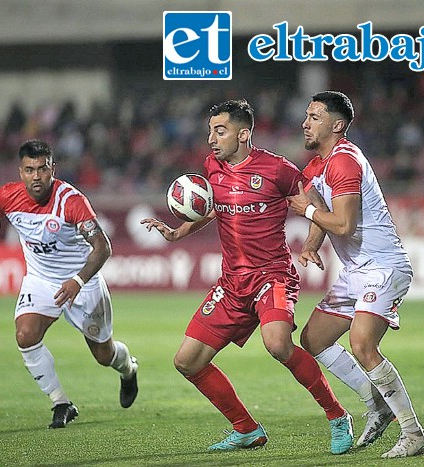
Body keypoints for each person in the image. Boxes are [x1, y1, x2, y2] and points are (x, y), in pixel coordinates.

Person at [140, 99, 354, 454]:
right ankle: (246, 429)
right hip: (232, 283)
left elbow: (320, 207)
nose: (211, 138)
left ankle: (337, 415)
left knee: (278, 345)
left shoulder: (278, 169)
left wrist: (312, 244)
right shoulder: (212, 166)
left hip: (272, 276)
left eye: (219, 131)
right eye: (210, 130)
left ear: (243, 134)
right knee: (187, 361)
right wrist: (178, 232)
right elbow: (212, 208)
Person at [288, 91, 424, 458]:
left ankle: (413, 433)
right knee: (314, 339)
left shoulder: (345, 161)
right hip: (356, 272)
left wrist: (307, 214)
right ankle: (377, 403)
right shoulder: (315, 167)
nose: (306, 123)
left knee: (363, 345)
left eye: (315, 117)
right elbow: (320, 209)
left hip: (384, 267)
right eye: (306, 116)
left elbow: (345, 224)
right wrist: (310, 244)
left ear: (337, 126)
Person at [0, 139, 138, 429]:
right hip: (40, 280)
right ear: (20, 171)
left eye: (42, 169)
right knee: (25, 335)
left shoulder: (71, 201)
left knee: (104, 355)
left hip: (83, 284)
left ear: (53, 169)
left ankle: (128, 369)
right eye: (29, 170)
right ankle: (61, 402)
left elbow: (103, 247)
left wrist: (78, 280)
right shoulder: (6, 196)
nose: (36, 177)